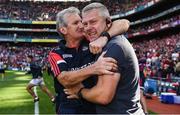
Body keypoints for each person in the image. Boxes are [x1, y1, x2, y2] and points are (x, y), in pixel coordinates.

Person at [65, 3, 144, 114]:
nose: (88, 27)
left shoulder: (112, 47)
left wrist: (79, 91)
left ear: (108, 22)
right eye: (85, 24)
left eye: (93, 22)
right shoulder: (105, 42)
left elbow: (103, 96)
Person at [48, 7, 130, 114]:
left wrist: (104, 37)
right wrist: (94, 68)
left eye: (81, 22)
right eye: (76, 23)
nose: (82, 26)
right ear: (64, 30)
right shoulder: (55, 53)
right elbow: (65, 79)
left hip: (93, 105)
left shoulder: (92, 40)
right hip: (68, 108)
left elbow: (125, 23)